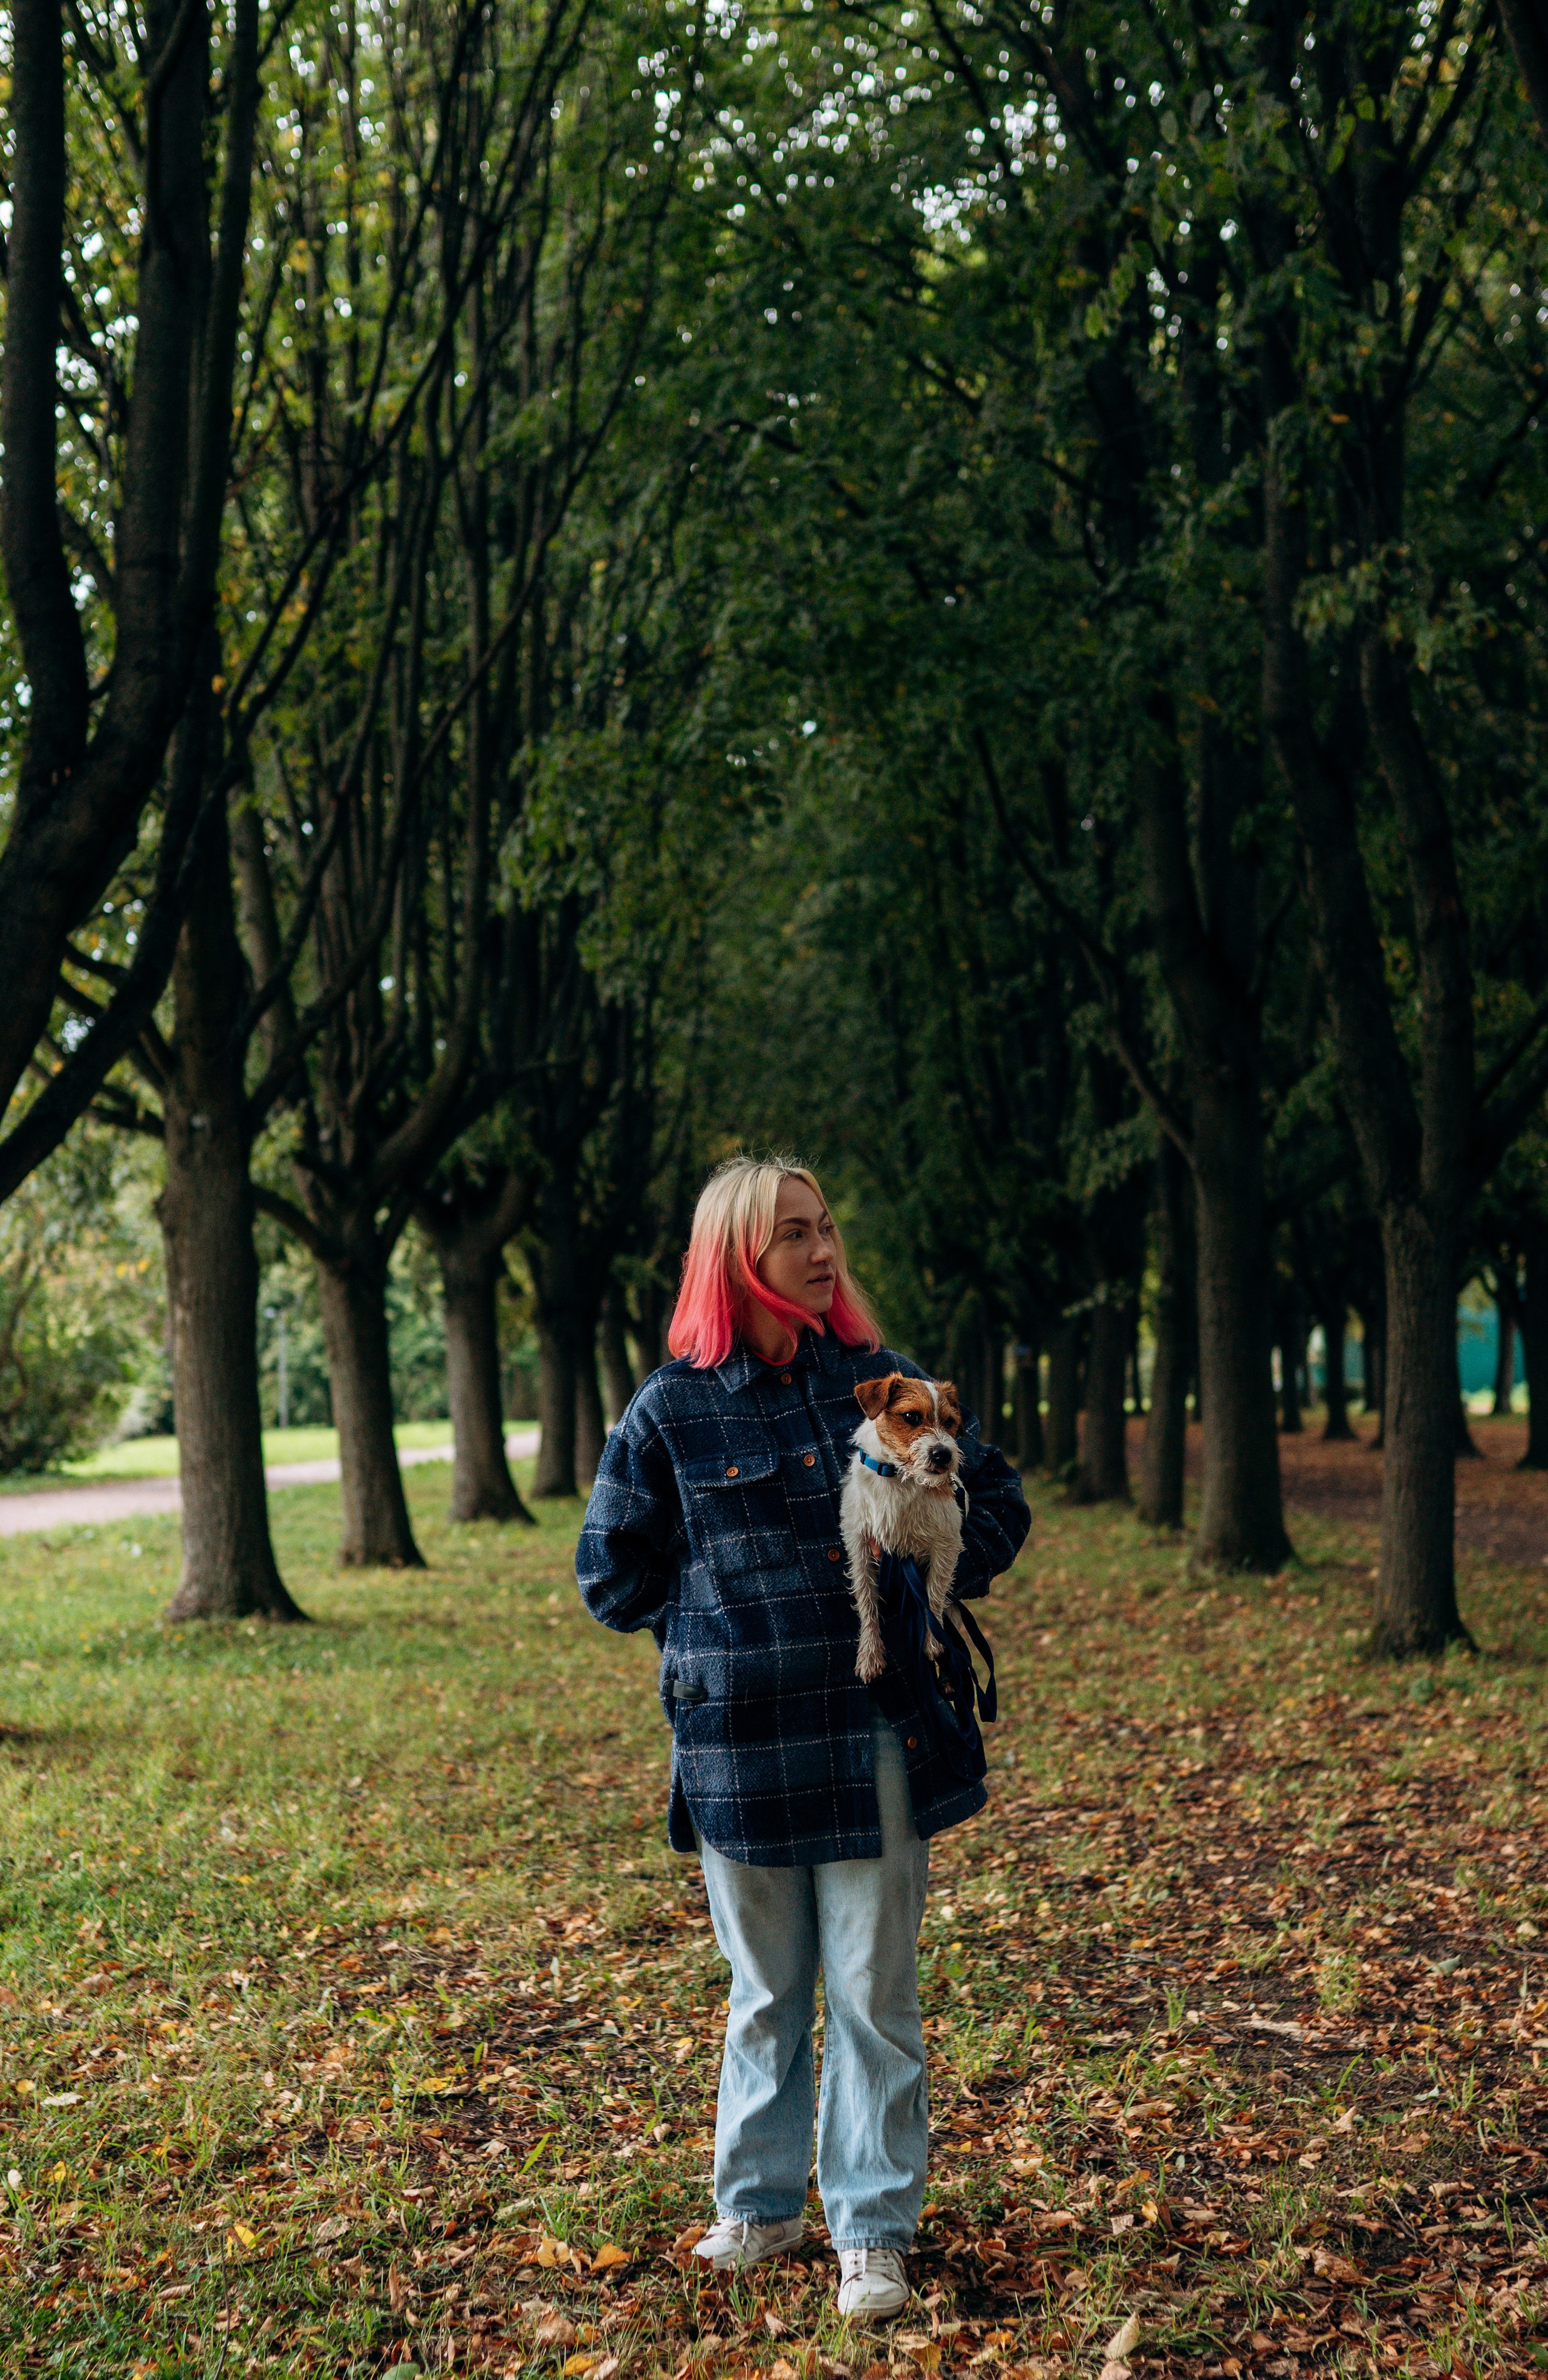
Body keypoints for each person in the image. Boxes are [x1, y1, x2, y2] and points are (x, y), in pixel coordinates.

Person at [576, 1155, 1029, 2320]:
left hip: (876, 1732)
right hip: (739, 1750)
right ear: (740, 1258)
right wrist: (713, 1620)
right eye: (794, 1235)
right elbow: (608, 1575)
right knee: (768, 1993)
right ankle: (763, 2206)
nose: (824, 1252)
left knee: (874, 1991)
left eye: (827, 1228)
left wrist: (929, 1565)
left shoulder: (881, 1388)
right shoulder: (670, 1408)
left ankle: (871, 2230)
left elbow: (1002, 1502)